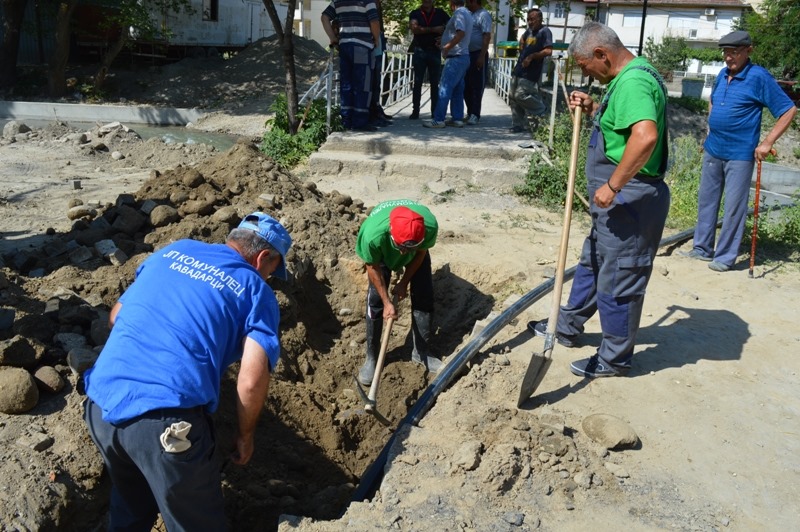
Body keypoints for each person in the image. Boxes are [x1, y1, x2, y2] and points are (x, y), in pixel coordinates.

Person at [83, 213, 292, 530]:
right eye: (271, 272)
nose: (268, 280)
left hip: (101, 403)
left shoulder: (174, 251)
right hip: (165, 420)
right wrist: (245, 435)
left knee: (130, 507)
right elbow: (250, 382)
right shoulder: (256, 291)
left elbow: (116, 317)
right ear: (264, 258)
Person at [527, 22, 670, 378]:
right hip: (615, 206)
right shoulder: (626, 78)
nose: (584, 72)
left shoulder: (635, 82)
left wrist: (614, 185)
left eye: (584, 64)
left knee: (621, 276)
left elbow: (644, 136)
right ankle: (568, 325)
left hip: (631, 201)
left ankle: (614, 358)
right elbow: (621, 129)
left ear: (602, 55)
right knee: (593, 262)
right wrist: (593, 109)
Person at [680, 30, 797, 272]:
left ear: (748, 51)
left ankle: (724, 257)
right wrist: (710, 130)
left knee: (734, 206)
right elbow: (713, 100)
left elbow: (788, 110)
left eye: (734, 52)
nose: (729, 57)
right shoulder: (723, 74)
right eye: (725, 52)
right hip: (714, 149)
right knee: (707, 201)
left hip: (740, 153)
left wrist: (767, 143)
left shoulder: (759, 77)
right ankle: (702, 248)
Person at [355, 200, 444, 385]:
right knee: (375, 300)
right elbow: (372, 267)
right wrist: (387, 302)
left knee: (424, 295)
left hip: (413, 248)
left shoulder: (428, 226)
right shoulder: (373, 235)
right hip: (382, 252)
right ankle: (372, 357)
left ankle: (421, 352)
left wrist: (404, 282)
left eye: (409, 249)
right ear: (391, 235)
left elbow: (420, 253)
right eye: (402, 248)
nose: (404, 254)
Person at [322, 0, 382, 132]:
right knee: (362, 85)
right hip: (362, 46)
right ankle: (360, 122)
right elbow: (374, 22)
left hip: (345, 46)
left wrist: (333, 37)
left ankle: (346, 120)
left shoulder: (338, 1)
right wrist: (376, 39)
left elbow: (324, 17)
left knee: (346, 84)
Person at [422, 0, 472, 129]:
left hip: (455, 57)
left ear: (451, 3)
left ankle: (438, 119)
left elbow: (460, 33)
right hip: (463, 57)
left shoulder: (459, 14)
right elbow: (458, 34)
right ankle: (457, 118)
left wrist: (447, 47)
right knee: (457, 89)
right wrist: (445, 40)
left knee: (445, 88)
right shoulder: (467, 13)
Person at [508, 9, 552, 133]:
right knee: (512, 96)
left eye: (532, 19)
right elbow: (522, 40)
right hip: (519, 69)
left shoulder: (545, 31)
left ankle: (542, 110)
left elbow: (548, 50)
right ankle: (518, 124)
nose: (530, 22)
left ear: (540, 19)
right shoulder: (529, 31)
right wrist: (521, 44)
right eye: (528, 19)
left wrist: (532, 56)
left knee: (520, 94)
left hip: (531, 71)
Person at [408, 0, 450, 120]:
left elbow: (451, 27)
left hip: (435, 51)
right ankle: (415, 111)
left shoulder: (441, 13)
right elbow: (414, 29)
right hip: (420, 50)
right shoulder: (415, 13)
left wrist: (443, 37)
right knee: (417, 82)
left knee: (434, 83)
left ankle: (434, 112)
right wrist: (434, 29)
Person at [464, 0, 492, 125]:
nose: (466, 4)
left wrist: (481, 56)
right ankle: (470, 112)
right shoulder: (469, 14)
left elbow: (486, 36)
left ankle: (475, 114)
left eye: (468, 1)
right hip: (466, 54)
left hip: (478, 54)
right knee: (465, 85)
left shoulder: (483, 15)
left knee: (476, 85)